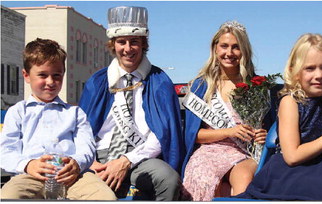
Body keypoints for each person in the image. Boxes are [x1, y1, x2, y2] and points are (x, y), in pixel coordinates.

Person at [235, 33, 322, 200]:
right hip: (288, 173)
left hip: (320, 168)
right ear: (295, 71)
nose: (319, 75)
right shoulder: (290, 102)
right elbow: (292, 156)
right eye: (310, 68)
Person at [78, 6, 184, 201]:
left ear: (143, 44)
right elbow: (81, 129)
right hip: (98, 158)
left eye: (134, 42)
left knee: (168, 179)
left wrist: (127, 160)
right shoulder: (98, 81)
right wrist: (89, 161)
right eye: (121, 42)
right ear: (113, 44)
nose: (127, 48)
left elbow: (163, 134)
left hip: (140, 157)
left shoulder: (159, 81)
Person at [0, 38, 116, 200]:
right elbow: (6, 151)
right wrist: (28, 165)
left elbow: (87, 148)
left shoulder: (75, 113)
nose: (50, 82)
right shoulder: (18, 112)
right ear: (26, 75)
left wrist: (76, 164)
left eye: (56, 75)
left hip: (74, 178)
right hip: (32, 177)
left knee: (105, 197)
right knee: (8, 196)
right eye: (42, 75)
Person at [181, 21, 268, 201]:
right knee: (205, 179)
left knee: (245, 181)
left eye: (236, 47)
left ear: (244, 50)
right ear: (215, 49)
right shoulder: (201, 86)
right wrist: (229, 131)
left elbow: (268, 127)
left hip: (244, 152)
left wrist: (262, 135)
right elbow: (194, 135)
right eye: (224, 46)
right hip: (209, 152)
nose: (229, 53)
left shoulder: (256, 85)